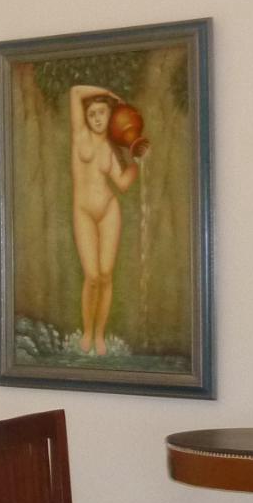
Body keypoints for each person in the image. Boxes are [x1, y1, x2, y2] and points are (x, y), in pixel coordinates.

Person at [68, 85, 146, 357]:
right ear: (86, 118)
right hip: (84, 212)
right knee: (91, 276)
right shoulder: (80, 137)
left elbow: (122, 184)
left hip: (108, 211)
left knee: (106, 275)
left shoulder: (112, 153)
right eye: (92, 114)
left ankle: (99, 334)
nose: (98, 118)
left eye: (102, 112)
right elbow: (76, 91)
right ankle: (87, 330)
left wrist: (136, 162)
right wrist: (109, 93)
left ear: (109, 116)